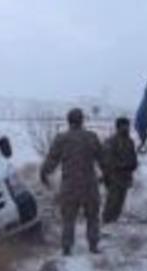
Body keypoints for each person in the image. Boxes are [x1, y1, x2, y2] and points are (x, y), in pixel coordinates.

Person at [40, 108, 106, 256]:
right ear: (82, 120)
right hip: (89, 184)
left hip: (70, 186)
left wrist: (44, 173)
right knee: (93, 217)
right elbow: (103, 159)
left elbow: (52, 160)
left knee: (68, 219)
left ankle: (67, 248)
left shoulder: (61, 139)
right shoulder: (91, 137)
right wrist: (105, 176)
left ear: (68, 121)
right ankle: (93, 246)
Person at [102, 117, 138, 224]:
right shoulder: (111, 141)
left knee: (120, 200)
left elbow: (133, 156)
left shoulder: (130, 141)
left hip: (125, 176)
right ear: (118, 127)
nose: (126, 128)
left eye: (127, 125)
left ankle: (114, 220)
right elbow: (107, 160)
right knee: (112, 200)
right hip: (114, 176)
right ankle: (107, 221)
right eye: (124, 125)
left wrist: (133, 165)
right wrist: (120, 166)